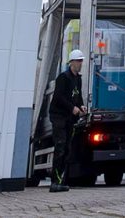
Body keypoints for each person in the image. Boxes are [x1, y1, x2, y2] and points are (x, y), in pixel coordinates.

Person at [48, 49, 87, 192]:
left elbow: (78, 96)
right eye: (78, 61)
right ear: (71, 62)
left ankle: (61, 181)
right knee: (60, 146)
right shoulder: (63, 78)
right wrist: (72, 108)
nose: (80, 63)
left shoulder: (78, 79)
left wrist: (81, 106)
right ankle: (54, 182)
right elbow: (58, 97)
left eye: (81, 61)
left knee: (67, 149)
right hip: (59, 116)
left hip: (70, 118)